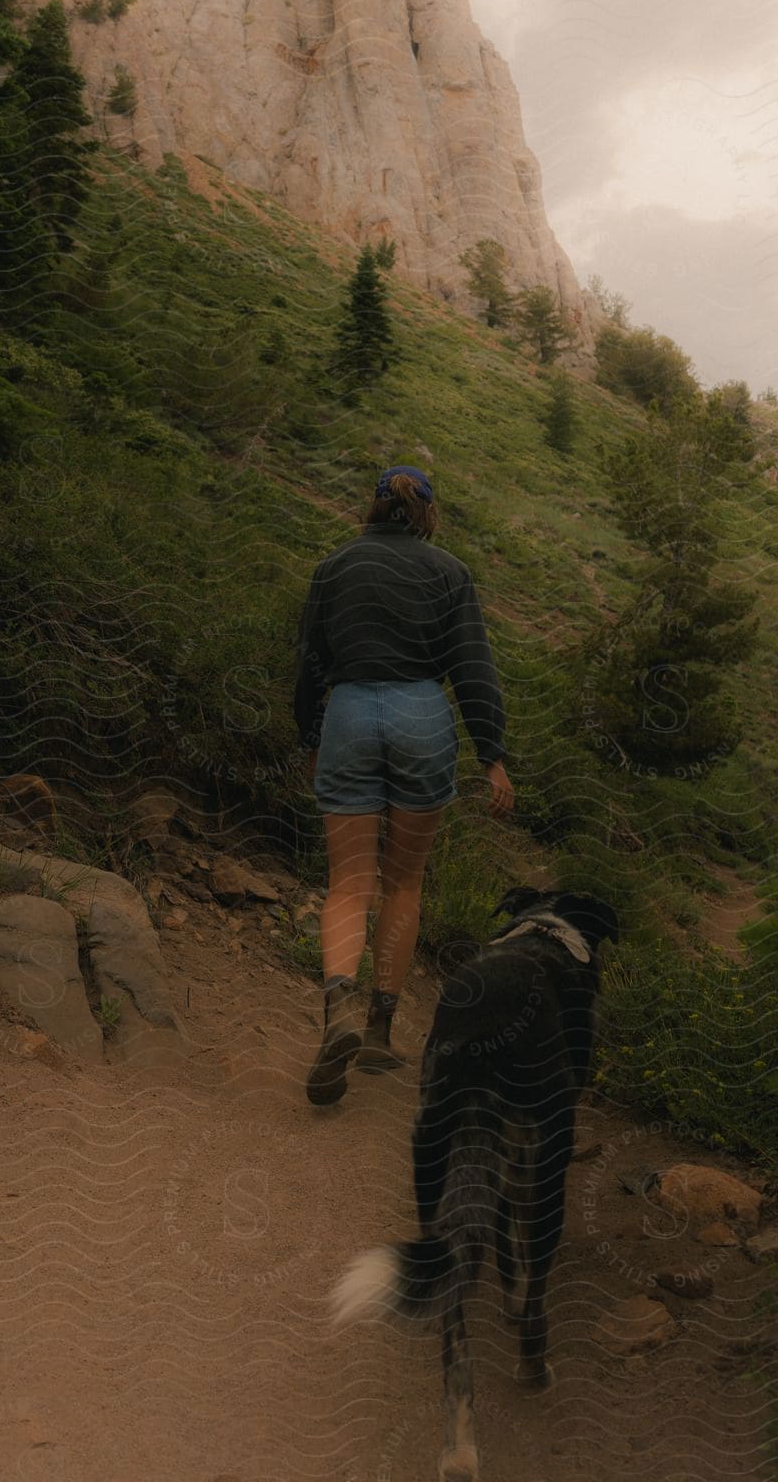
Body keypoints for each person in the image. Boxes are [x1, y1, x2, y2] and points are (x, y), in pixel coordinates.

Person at [293, 464, 513, 1106]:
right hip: (422, 713)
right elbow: (473, 665)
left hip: (350, 712)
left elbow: (309, 659)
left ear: (372, 507)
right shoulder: (449, 572)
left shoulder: (334, 566)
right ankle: (382, 1035)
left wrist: (310, 736)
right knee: (404, 883)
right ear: (427, 513)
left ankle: (338, 1011)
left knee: (347, 885)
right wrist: (491, 755)